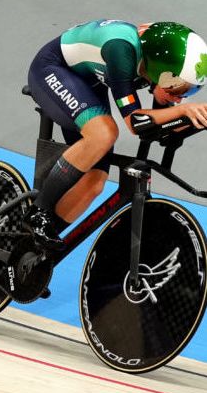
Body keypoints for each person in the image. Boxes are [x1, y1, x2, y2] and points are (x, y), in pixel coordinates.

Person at [26, 20, 207, 249]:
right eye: (179, 87)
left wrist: (196, 120)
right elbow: (136, 122)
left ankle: (33, 246)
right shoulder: (121, 50)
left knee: (94, 182)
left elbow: (159, 129)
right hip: (52, 70)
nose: (180, 97)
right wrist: (182, 111)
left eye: (189, 90)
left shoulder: (155, 66)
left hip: (88, 85)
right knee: (104, 132)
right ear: (161, 70)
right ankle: (37, 212)